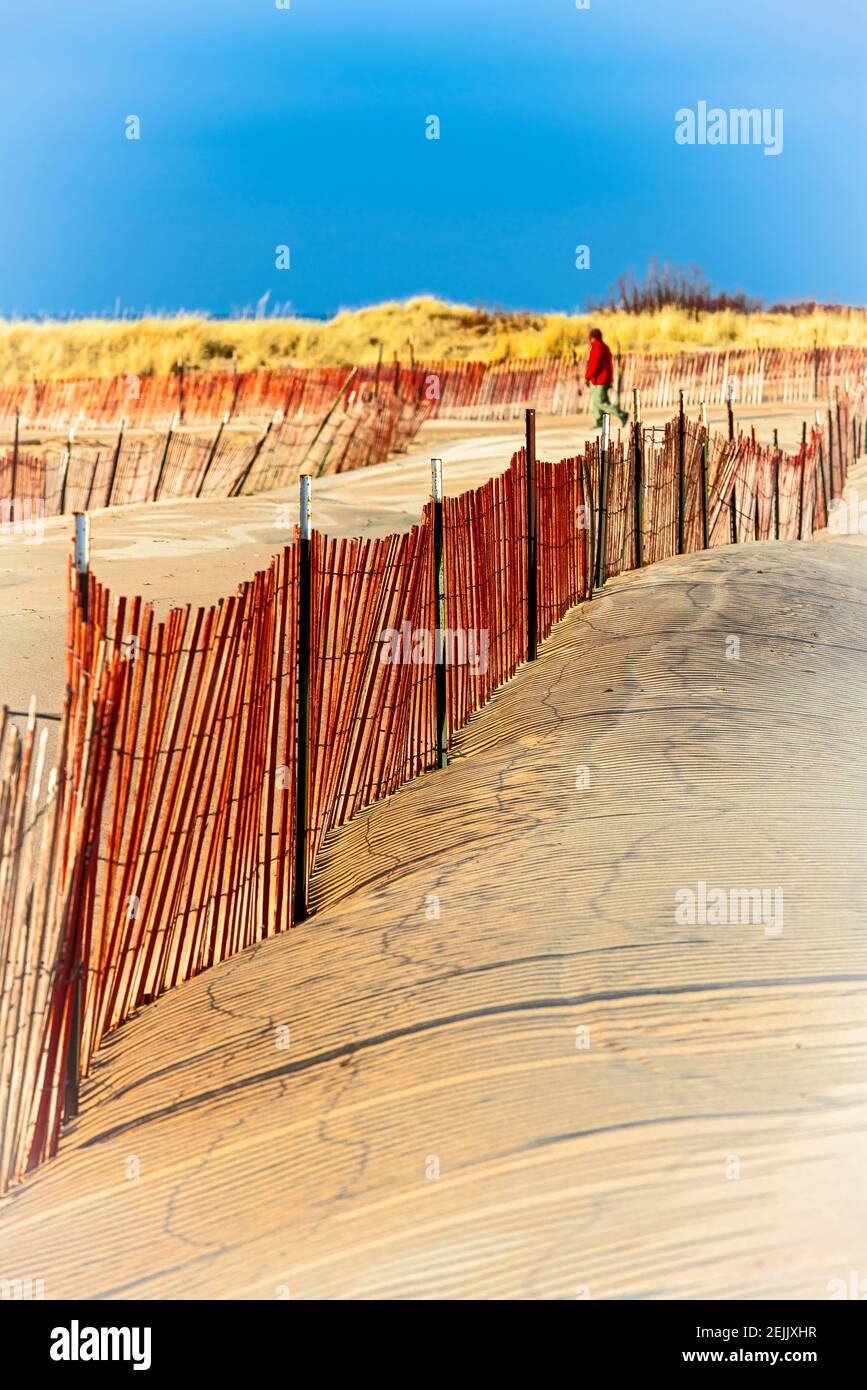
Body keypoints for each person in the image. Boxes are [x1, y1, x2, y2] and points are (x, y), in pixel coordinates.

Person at [584, 328, 628, 429]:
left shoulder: (597, 348)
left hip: (600, 380)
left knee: (601, 403)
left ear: (592, 338)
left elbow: (594, 365)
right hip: (604, 379)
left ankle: (622, 414)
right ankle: (599, 422)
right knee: (596, 401)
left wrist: (587, 377)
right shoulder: (605, 347)